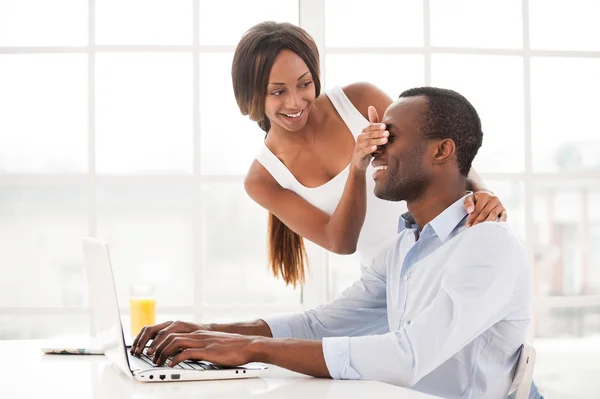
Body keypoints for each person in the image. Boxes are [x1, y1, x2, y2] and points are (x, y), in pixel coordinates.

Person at [131, 87, 532, 399]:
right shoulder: (405, 248)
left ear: (442, 150)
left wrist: (252, 349)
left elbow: (407, 357)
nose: (374, 146)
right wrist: (209, 334)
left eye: (388, 135)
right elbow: (318, 325)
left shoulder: (485, 244)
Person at [232, 21, 507, 287]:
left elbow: (440, 149)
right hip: (389, 282)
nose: (295, 101)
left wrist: (483, 191)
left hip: (451, 249)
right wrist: (356, 167)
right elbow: (341, 242)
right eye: (278, 91)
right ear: (251, 96)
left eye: (304, 84)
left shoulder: (359, 100)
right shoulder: (263, 179)